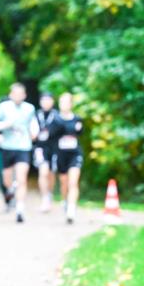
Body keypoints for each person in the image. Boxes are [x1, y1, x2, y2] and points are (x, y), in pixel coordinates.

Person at [0, 83, 38, 223]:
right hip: (7, 147)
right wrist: (5, 125)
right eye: (15, 93)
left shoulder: (29, 108)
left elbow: (33, 124)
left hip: (23, 147)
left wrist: (34, 132)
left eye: (20, 93)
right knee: (6, 179)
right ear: (11, 95)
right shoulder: (4, 107)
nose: (18, 96)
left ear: (24, 95)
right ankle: (10, 189)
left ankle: (20, 209)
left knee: (22, 178)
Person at [51, 92, 84, 224]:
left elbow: (80, 131)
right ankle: (65, 201)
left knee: (73, 182)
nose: (64, 105)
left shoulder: (77, 118)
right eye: (61, 102)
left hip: (74, 154)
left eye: (66, 102)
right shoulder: (55, 119)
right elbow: (52, 133)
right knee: (64, 183)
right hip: (60, 155)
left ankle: (71, 210)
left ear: (71, 104)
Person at [33, 92, 58, 212]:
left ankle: (50, 194)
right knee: (43, 172)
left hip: (54, 148)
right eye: (44, 100)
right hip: (40, 148)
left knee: (51, 173)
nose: (46, 103)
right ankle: (44, 197)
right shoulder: (36, 115)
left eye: (48, 100)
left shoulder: (57, 116)